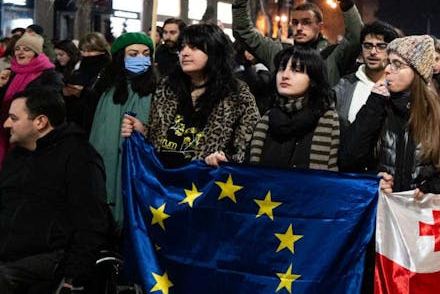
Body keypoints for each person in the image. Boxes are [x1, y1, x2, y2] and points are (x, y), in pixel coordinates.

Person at [0, 88, 111, 293]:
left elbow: (91, 223)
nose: (6, 124)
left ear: (40, 122)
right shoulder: (17, 156)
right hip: (9, 252)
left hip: (48, 260)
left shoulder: (79, 157)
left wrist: (73, 276)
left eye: (13, 118)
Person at [340, 35, 440, 196]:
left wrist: (431, 188)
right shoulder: (378, 108)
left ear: (418, 72)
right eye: (389, 62)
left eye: (397, 64)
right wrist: (373, 179)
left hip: (422, 214)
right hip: (383, 211)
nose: (387, 69)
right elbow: (348, 159)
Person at [121, 24, 259, 168]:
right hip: (162, 182)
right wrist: (142, 130)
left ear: (214, 51)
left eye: (194, 47)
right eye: (182, 47)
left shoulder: (236, 94)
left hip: (204, 184)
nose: (184, 53)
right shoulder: (167, 88)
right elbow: (157, 137)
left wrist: (226, 159)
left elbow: (248, 146)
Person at [231, 0, 361, 86]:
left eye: (306, 22)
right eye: (295, 22)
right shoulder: (278, 51)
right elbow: (243, 31)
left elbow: (357, 37)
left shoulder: (333, 55)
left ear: (320, 26)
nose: (299, 27)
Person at [89, 32, 158, 224]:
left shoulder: (157, 91)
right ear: (121, 58)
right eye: (133, 54)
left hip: (137, 168)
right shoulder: (107, 90)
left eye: (146, 54)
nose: (141, 59)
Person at [248, 47, 341, 170]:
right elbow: (247, 170)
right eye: (281, 69)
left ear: (313, 79)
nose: (285, 75)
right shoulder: (266, 120)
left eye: (296, 70)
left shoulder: (331, 121)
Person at [0, 33, 63, 165]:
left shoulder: (50, 75)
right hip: (6, 128)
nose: (20, 52)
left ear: (36, 53)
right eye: (17, 49)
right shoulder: (11, 73)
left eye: (26, 49)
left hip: (32, 133)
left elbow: (50, 101)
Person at [333, 21, 400, 134]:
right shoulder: (345, 86)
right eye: (368, 46)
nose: (373, 52)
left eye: (381, 46)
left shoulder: (400, 86)